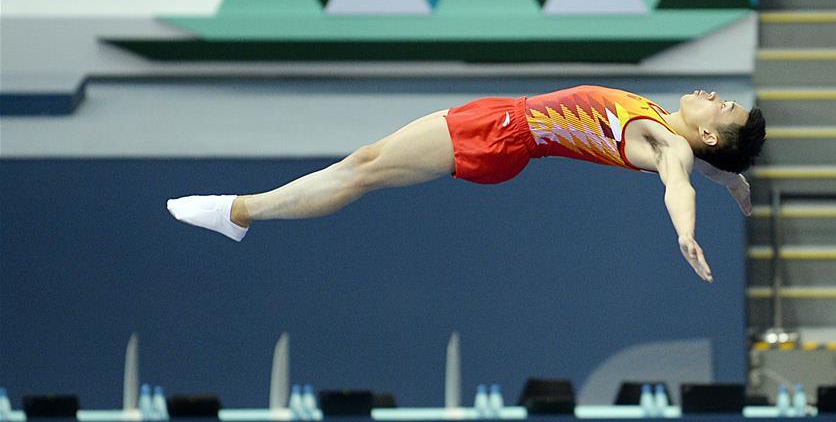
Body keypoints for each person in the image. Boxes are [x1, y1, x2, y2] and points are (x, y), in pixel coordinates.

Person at [167, 85, 765, 282]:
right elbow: (708, 168)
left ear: (709, 135)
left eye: (726, 108)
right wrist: (734, 183)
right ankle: (240, 213)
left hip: (504, 135)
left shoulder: (665, 144)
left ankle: (238, 212)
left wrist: (685, 231)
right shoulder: (673, 129)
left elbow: (677, 181)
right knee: (364, 166)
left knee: (362, 170)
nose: (716, 97)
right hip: (504, 119)